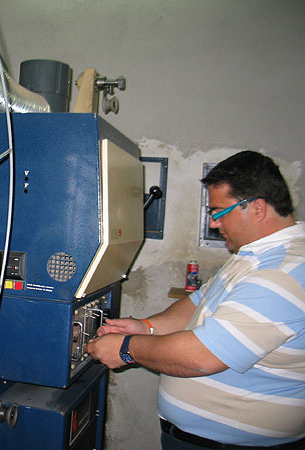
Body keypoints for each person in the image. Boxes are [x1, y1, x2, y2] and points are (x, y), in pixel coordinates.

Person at [86, 150, 305, 449]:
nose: (214, 224)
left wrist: (126, 349)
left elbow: (202, 358)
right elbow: (197, 303)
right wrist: (145, 327)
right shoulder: (254, 255)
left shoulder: (283, 272)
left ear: (257, 208)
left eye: (218, 212)